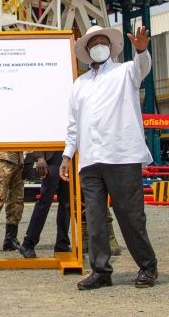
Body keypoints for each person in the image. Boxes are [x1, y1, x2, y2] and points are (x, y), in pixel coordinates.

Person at [61, 25, 158, 290]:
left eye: (103, 42)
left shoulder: (126, 71)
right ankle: (101, 271)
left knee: (130, 215)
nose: (99, 47)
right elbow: (73, 124)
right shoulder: (79, 84)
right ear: (88, 51)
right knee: (94, 218)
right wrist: (68, 155)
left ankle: (147, 266)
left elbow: (143, 66)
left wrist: (141, 50)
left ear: (112, 47)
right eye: (94, 44)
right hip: (90, 160)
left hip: (121, 155)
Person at [18, 150, 72, 258]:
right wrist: (40, 157)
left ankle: (62, 243)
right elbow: (41, 133)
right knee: (45, 200)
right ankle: (28, 243)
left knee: (67, 202)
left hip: (69, 155)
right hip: (52, 156)